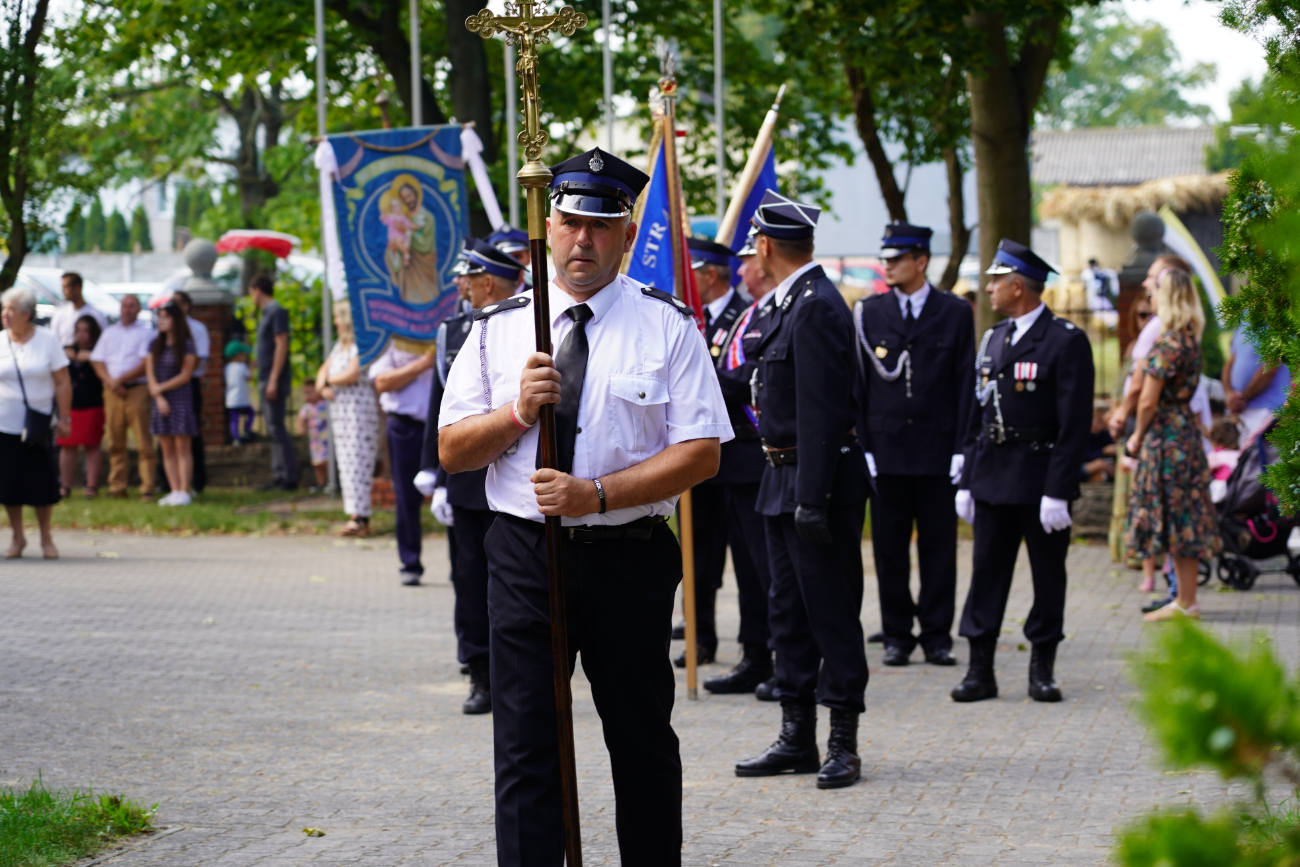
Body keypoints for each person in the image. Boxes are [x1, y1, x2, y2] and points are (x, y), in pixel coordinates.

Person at [437, 147, 730, 867]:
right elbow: (452, 449)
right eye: (570, 222)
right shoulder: (498, 327)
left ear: (626, 235)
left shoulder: (667, 326)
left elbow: (701, 452)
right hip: (524, 556)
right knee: (526, 742)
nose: (583, 240)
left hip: (628, 555)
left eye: (601, 227)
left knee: (641, 739)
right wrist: (516, 413)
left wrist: (595, 494)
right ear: (548, 227)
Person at [734, 190, 871, 790]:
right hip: (780, 475)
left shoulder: (815, 306)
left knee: (829, 612)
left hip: (818, 481)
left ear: (765, 246)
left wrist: (813, 498)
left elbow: (822, 411)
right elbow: (760, 382)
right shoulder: (789, 304)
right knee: (786, 611)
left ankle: (843, 740)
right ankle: (796, 736)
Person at [952, 239, 1094, 703]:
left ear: (1018, 286)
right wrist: (967, 477)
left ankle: (1042, 668)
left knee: (1048, 575)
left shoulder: (1064, 340)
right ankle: (980, 670)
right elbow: (977, 412)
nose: (988, 289)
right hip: (993, 475)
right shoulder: (994, 337)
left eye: (995, 281)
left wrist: (1059, 490)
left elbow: (1074, 424)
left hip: (1039, 479)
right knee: (986, 574)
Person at [854, 222, 973, 668]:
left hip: (937, 448)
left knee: (939, 547)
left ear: (921, 261)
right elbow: (860, 384)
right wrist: (865, 445)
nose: (887, 266)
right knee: (889, 549)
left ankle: (937, 635)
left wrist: (962, 447)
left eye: (896, 259)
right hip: (887, 450)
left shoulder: (953, 311)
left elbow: (964, 383)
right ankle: (897, 634)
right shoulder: (870, 311)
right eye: (884, 258)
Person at [417, 237, 526, 715]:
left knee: (518, 583)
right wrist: (432, 472)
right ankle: (480, 671)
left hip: (519, 475)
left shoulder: (529, 322)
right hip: (465, 479)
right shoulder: (455, 330)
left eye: (469, 276)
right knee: (468, 578)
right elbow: (439, 405)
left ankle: (519, 671)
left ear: (489, 283)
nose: (461, 283)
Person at [669, 236, 756, 669]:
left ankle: (756, 650)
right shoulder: (686, 319)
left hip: (742, 458)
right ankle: (700, 638)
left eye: (690, 274)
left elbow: (745, 379)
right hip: (696, 456)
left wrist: (690, 376)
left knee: (749, 559)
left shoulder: (748, 315)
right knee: (698, 555)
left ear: (708, 275)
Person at [705, 229, 780, 696]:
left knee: (769, 569)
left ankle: (785, 659)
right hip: (733, 463)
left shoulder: (777, 314)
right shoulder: (749, 316)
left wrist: (704, 380)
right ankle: (754, 656)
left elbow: (755, 373)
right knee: (748, 570)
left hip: (760, 458)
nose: (743, 269)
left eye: (748, 260)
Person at [1127, 269, 1222, 621]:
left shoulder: (1167, 343)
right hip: (1186, 435)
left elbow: (1147, 400)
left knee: (1173, 515)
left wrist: (1137, 435)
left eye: (1155, 293)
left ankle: (1184, 601)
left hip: (1166, 438)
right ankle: (1185, 600)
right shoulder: (1189, 341)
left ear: (1166, 298)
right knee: (1185, 516)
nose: (1150, 299)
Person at [0, 286, 71, 559]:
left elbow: (62, 381)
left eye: (11, 309)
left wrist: (64, 417)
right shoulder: (1, 341)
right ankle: (17, 537)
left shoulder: (47, 340)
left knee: (41, 482)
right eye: (4, 308)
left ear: (27, 314)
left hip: (37, 424)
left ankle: (46, 537)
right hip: (4, 424)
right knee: (8, 484)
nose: (5, 314)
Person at [370, 336, 435, 585]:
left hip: (444, 425)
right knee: (406, 498)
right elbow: (382, 382)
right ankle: (410, 563)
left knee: (455, 495)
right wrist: (422, 364)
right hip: (405, 426)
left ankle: (463, 567)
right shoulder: (391, 338)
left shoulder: (447, 331)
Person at [315, 303, 378, 537]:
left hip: (358, 413)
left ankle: (360, 518)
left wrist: (328, 382)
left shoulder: (360, 344)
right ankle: (355, 515)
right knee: (346, 464)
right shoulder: (339, 346)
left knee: (358, 462)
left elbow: (352, 373)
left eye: (337, 317)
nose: (335, 322)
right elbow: (323, 370)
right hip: (342, 414)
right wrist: (322, 385)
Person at [90, 294, 157, 500]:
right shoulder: (109, 332)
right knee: (115, 441)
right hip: (112, 392)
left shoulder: (147, 334)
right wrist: (111, 382)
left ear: (139, 309)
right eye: (124, 305)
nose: (127, 309)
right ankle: (117, 486)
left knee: (143, 441)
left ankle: (147, 486)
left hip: (137, 390)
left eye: (131, 306)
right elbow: (97, 361)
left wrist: (120, 380)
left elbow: (146, 364)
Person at [250, 274, 298, 491]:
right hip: (266, 376)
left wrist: (273, 379)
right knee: (273, 429)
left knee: (277, 428)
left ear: (257, 290)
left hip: (272, 378)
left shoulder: (277, 312)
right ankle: (279, 474)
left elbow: (281, 344)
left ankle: (288, 476)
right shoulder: (267, 314)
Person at [147, 303, 199, 506]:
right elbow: (150, 373)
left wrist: (161, 388)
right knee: (166, 448)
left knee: (182, 447)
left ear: (175, 320)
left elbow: (185, 375)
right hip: (160, 401)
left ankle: (185, 491)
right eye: (160, 317)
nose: (161, 321)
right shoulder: (154, 344)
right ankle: (174, 490)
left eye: (166, 317)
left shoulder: (187, 345)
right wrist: (158, 396)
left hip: (180, 399)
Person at [57, 315, 105, 499]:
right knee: (67, 446)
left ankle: (91, 486)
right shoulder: (67, 350)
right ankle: (65, 486)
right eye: (79, 330)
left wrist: (92, 358)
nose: (82, 335)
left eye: (86, 331)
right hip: (70, 406)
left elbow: (106, 373)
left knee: (92, 445)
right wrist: (64, 356)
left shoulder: (99, 350)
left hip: (92, 405)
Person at [1225, 322, 1290, 439]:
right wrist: (1228, 393)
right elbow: (1230, 361)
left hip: (1268, 410)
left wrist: (1242, 399)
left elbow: (1271, 367)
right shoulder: (1244, 319)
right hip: (1245, 411)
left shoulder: (1277, 319)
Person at [172, 291, 210, 494]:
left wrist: (182, 374)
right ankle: (170, 482)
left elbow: (200, 357)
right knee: (168, 434)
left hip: (188, 383)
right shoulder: (167, 328)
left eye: (177, 303)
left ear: (186, 306)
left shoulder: (197, 328)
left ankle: (196, 481)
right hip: (168, 384)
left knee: (190, 433)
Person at [50, 272, 107, 349]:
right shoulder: (59, 314)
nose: (62, 291)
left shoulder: (97, 315)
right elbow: (54, 342)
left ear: (77, 287)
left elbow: (104, 343)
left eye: (65, 287)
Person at [296, 381, 331, 492]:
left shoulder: (325, 404)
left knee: (326, 462)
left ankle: (330, 483)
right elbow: (300, 421)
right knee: (317, 464)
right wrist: (301, 429)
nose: (308, 396)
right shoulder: (306, 408)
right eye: (306, 393)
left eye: (311, 392)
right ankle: (321, 484)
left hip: (326, 440)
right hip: (315, 442)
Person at [224, 341, 255, 444]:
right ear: (238, 356)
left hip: (231, 400)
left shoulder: (226, 368)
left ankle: (236, 438)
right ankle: (247, 430)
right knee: (251, 413)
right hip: (242, 399)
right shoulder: (242, 367)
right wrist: (251, 368)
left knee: (234, 420)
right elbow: (249, 378)